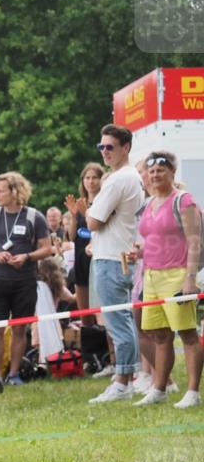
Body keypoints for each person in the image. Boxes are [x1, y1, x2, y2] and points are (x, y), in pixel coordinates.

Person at [132, 151, 202, 408]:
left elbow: (195, 241)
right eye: (150, 171)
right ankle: (159, 388)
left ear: (172, 172)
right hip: (150, 275)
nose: (154, 174)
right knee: (158, 335)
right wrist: (137, 253)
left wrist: (189, 280)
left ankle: (193, 392)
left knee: (187, 334)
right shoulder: (149, 204)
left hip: (177, 274)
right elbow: (152, 239)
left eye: (160, 170)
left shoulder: (183, 201)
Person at [0, 171, 53, 385]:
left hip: (25, 280)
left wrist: (27, 256)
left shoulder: (34, 216)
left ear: (14, 190)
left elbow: (47, 249)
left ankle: (15, 374)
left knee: (20, 328)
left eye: (1, 191)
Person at [86, 124, 144, 403]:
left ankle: (123, 381)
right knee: (124, 322)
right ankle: (128, 378)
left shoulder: (120, 179)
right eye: (101, 147)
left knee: (118, 323)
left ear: (126, 148)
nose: (104, 152)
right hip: (115, 254)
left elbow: (93, 221)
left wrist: (92, 209)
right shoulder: (126, 177)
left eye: (110, 147)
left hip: (112, 258)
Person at [64, 163, 104, 330]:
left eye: (95, 177)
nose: (91, 181)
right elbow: (73, 236)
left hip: (98, 260)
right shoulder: (80, 204)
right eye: (87, 178)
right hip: (81, 261)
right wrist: (74, 216)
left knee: (102, 313)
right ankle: (90, 352)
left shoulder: (104, 202)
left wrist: (87, 210)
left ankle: (108, 352)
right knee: (85, 313)